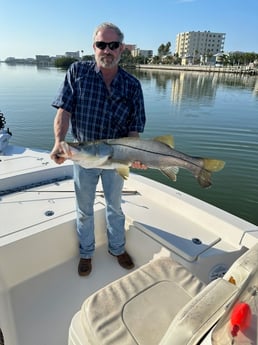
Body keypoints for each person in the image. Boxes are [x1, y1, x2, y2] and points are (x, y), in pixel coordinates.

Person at [50, 22, 146, 277]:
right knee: (84, 210)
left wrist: (135, 155)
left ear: (121, 49)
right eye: (102, 45)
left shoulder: (132, 85)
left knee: (115, 206)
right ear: (94, 47)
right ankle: (86, 252)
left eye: (113, 45)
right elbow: (64, 111)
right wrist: (59, 141)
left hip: (116, 159)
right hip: (84, 158)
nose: (107, 50)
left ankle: (117, 248)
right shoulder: (77, 72)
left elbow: (134, 130)